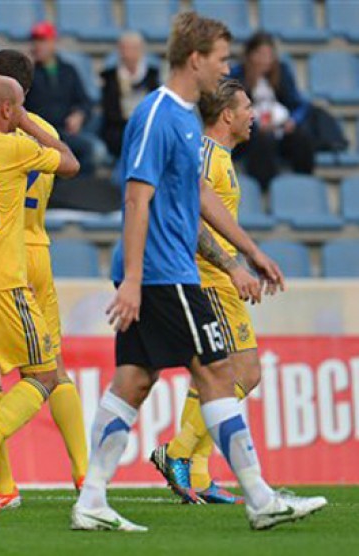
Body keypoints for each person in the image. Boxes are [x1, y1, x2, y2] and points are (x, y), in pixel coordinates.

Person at [71, 12, 327, 532]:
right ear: (195, 59)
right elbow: (137, 199)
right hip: (165, 273)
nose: (227, 68)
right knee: (217, 374)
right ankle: (260, 498)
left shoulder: (186, 119)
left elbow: (200, 195)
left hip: (162, 273)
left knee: (134, 382)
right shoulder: (157, 115)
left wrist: (249, 251)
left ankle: (92, 499)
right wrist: (136, 280)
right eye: (221, 59)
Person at [0, 49, 90, 506]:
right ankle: (84, 471)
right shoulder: (41, 135)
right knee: (51, 369)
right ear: (22, 96)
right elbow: (68, 166)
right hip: (26, 254)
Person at [149, 79, 268, 505]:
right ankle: (177, 452)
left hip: (214, 276)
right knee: (244, 373)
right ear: (228, 115)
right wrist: (233, 266)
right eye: (248, 106)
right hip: (208, 277)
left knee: (210, 374)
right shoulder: (206, 157)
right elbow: (193, 221)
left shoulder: (219, 157)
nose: (254, 114)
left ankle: (196, 474)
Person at [229, 32, 315, 190]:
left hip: (281, 130)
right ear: (250, 55)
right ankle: (264, 187)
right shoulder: (237, 75)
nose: (265, 60)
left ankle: (306, 182)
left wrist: (292, 121)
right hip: (251, 134)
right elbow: (231, 109)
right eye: (260, 54)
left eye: (269, 55)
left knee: (302, 135)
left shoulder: (282, 72)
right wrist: (254, 125)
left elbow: (299, 104)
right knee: (264, 139)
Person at [24, 21, 96, 176]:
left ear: (53, 43)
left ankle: (79, 195)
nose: (37, 45)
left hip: (65, 132)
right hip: (37, 135)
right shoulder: (28, 72)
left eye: (42, 40)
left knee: (91, 150)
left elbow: (85, 102)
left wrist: (79, 115)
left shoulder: (68, 71)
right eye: (35, 41)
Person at [100, 32, 160, 159]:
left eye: (134, 48)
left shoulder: (152, 76)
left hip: (147, 127)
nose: (129, 53)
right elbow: (109, 111)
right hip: (119, 129)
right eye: (125, 48)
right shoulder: (109, 77)